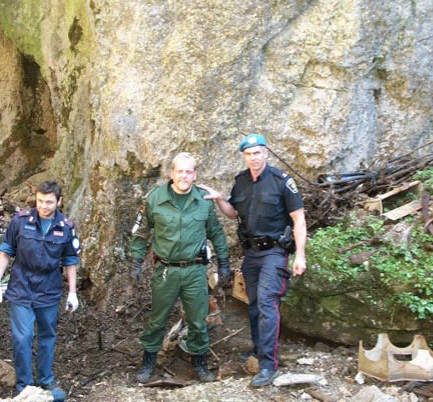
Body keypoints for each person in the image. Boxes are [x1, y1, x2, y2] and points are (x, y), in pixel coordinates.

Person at [199, 133, 307, 387]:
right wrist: (220, 199)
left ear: (266, 153)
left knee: (268, 304)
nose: (253, 158)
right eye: (248, 154)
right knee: (255, 304)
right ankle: (259, 353)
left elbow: (299, 219)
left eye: (257, 153)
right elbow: (233, 213)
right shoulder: (241, 182)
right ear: (244, 156)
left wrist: (299, 255)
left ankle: (268, 365)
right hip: (251, 254)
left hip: (274, 253)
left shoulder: (282, 181)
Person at [129, 152, 231, 384]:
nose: (184, 176)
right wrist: (135, 262)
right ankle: (148, 361)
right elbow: (141, 232)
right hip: (166, 271)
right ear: (171, 174)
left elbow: (216, 232)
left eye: (189, 171)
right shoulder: (155, 198)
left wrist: (224, 263)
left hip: (195, 270)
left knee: (198, 319)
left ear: (195, 175)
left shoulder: (203, 200)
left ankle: (199, 363)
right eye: (179, 171)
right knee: (157, 318)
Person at [0, 181, 81, 401]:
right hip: (22, 286)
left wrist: (72, 292)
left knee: (47, 335)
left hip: (49, 288)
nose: (44, 206)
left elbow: (70, 261)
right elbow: (6, 252)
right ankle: (25, 385)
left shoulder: (66, 227)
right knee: (23, 337)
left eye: (49, 202)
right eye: (40, 201)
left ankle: (46, 379)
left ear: (58, 202)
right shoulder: (20, 221)